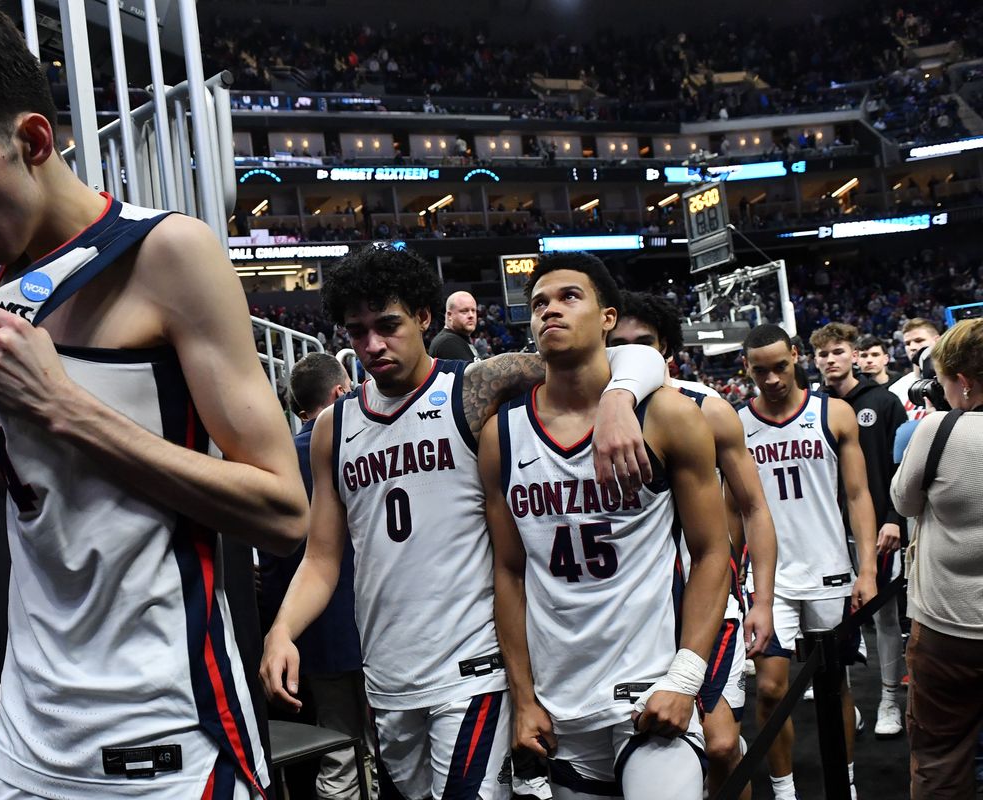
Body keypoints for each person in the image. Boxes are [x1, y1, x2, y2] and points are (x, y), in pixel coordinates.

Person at [0, 8, 310, 799]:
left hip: (161, 744)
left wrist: (67, 407)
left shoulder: (167, 253)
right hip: (24, 742)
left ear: (33, 141)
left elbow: (282, 510)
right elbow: (41, 498)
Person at [260, 247, 669, 800]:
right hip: (386, 676)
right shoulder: (335, 427)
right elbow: (322, 557)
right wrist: (282, 630)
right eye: (357, 332)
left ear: (425, 318)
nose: (372, 345)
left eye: (388, 326)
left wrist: (620, 396)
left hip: (473, 671)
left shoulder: (475, 389)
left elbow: (611, 359)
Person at [483, 254, 731, 800]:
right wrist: (523, 697)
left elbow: (713, 551)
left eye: (570, 297)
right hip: (559, 702)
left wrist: (685, 679)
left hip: (649, 691)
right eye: (540, 302)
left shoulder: (667, 415)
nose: (550, 309)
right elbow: (508, 572)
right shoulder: (501, 434)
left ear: (607, 318)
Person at [609, 291, 779, 800]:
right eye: (619, 345)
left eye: (644, 344)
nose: (631, 354)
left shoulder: (707, 408)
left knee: (723, 744)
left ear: (667, 354)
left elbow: (754, 507)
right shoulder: (584, 413)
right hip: (634, 611)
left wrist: (764, 599)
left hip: (706, 601)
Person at [739, 324, 878, 800]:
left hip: (830, 571)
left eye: (780, 366)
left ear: (796, 356)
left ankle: (847, 782)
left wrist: (868, 571)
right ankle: (784, 790)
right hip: (769, 579)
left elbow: (858, 496)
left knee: (835, 683)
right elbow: (732, 510)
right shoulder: (736, 424)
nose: (773, 378)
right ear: (746, 369)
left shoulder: (833, 413)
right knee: (771, 690)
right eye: (761, 371)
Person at [259, 354, 369, 800]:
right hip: (366, 628)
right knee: (375, 756)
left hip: (307, 638)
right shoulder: (358, 446)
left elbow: (271, 564)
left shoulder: (277, 463)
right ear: (341, 393)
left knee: (339, 755)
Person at [891, 318, 983, 799]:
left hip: (948, 628)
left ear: (963, 382)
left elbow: (904, 501)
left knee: (940, 762)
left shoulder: (938, 429)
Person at [810, 323, 909, 739]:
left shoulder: (884, 403)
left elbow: (904, 466)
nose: (830, 360)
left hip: (879, 527)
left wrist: (894, 517)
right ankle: (849, 706)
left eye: (837, 352)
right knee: (836, 619)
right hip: (828, 531)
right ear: (813, 361)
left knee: (886, 616)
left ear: (854, 355)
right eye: (823, 355)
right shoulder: (811, 408)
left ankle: (889, 699)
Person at [891, 318, 943, 421]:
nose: (912, 347)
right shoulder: (896, 389)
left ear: (937, 341)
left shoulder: (953, 383)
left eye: (919, 340)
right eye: (907, 343)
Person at [428, 290, 481, 362]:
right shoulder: (447, 342)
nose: (471, 315)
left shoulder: (459, 339)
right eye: (464, 311)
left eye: (473, 310)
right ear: (450, 315)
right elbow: (474, 373)